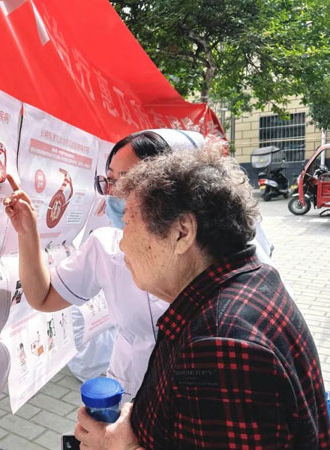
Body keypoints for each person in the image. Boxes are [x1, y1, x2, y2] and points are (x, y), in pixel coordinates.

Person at [74, 145, 330, 449]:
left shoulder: (219, 343)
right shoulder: (251, 281)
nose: (122, 243)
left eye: (129, 223)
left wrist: (119, 446)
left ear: (182, 233)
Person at [4, 129, 208, 398]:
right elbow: (43, 297)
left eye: (131, 180)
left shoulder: (206, 256)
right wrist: (28, 232)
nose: (116, 194)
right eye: (111, 180)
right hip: (124, 395)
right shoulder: (106, 246)